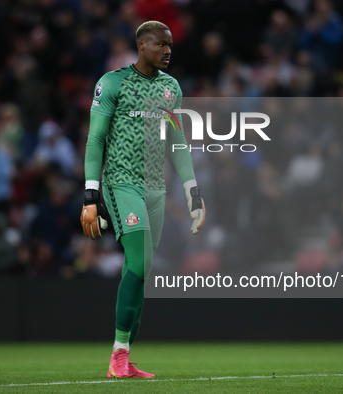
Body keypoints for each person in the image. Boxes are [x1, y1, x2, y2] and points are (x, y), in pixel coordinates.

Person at [81, 21, 205, 379]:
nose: (168, 51)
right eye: (161, 45)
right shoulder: (113, 83)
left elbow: (177, 143)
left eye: (171, 46)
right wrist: (91, 193)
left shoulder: (170, 89)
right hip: (121, 184)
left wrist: (192, 190)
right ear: (142, 45)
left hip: (155, 189)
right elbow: (95, 140)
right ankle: (119, 355)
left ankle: (124, 356)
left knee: (142, 272)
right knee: (136, 265)